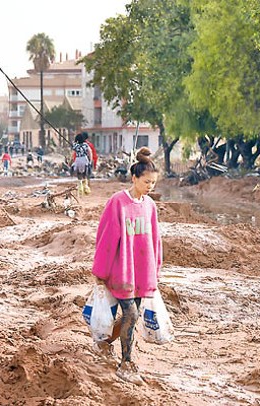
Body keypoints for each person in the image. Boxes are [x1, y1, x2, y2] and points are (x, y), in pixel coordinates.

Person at [92, 147, 162, 385]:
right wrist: (100, 272)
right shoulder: (117, 203)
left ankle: (103, 344)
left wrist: (156, 268)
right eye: (146, 182)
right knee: (130, 313)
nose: (150, 186)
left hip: (142, 270)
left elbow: (155, 239)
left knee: (131, 316)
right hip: (121, 270)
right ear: (134, 178)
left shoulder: (150, 205)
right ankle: (126, 363)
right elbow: (106, 237)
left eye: (153, 183)